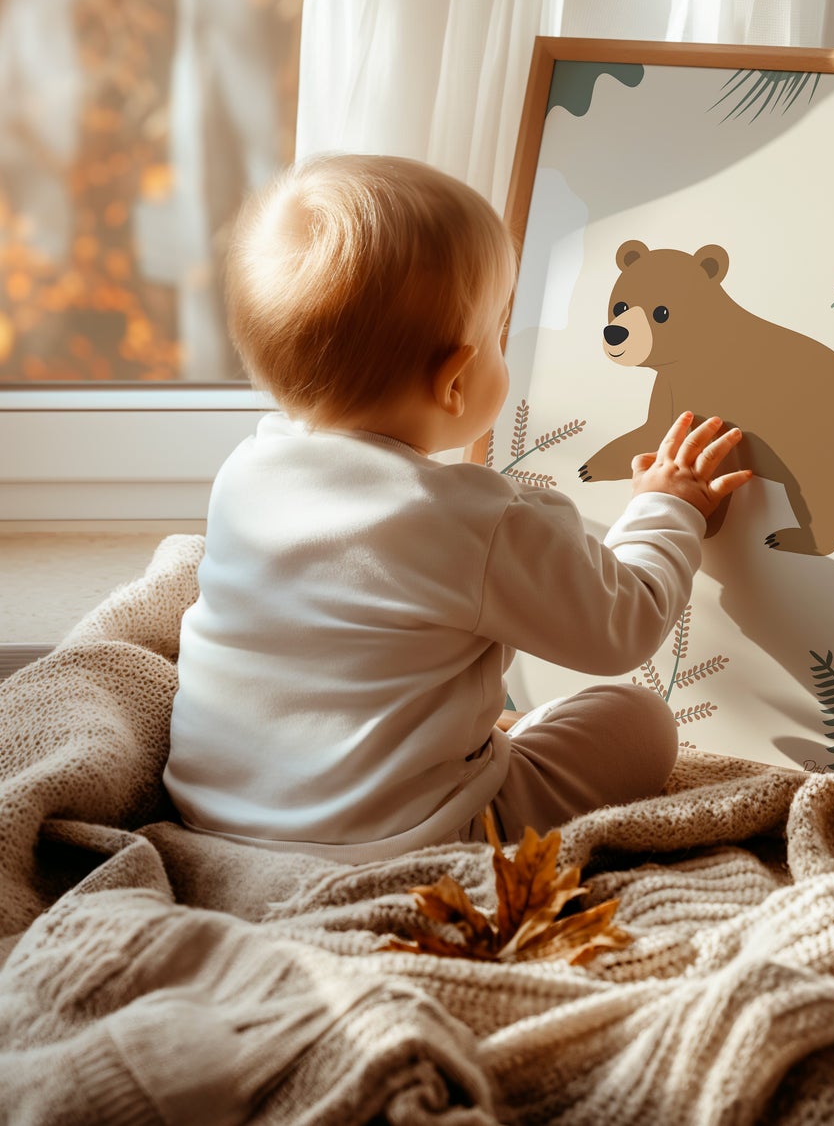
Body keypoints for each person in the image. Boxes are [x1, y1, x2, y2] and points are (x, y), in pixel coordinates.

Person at [163, 153, 751, 861]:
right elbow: (621, 626)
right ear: (454, 383)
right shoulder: (473, 521)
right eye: (500, 333)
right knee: (640, 721)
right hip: (407, 838)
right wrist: (667, 507)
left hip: (213, 813)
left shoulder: (245, 475)